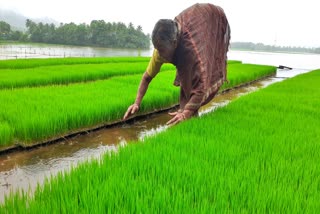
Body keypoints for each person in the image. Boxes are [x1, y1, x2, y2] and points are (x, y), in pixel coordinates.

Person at [123, 3, 231, 125]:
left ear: (174, 43)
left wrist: (186, 113)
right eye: (157, 49)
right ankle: (189, 116)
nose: (160, 54)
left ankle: (190, 116)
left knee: (198, 74)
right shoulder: (159, 51)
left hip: (212, 19)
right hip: (189, 28)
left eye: (162, 50)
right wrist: (137, 103)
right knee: (186, 74)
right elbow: (147, 77)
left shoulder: (193, 52)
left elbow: (201, 86)